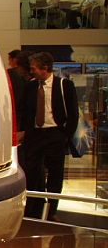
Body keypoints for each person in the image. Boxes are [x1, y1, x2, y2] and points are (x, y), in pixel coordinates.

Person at [20, 51, 78, 220]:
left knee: (55, 173)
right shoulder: (30, 86)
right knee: (32, 172)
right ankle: (35, 207)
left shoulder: (64, 85)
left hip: (55, 134)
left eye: (34, 68)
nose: (31, 71)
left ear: (45, 68)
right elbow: (24, 110)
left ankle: (52, 209)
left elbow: (73, 114)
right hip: (35, 135)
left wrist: (65, 136)